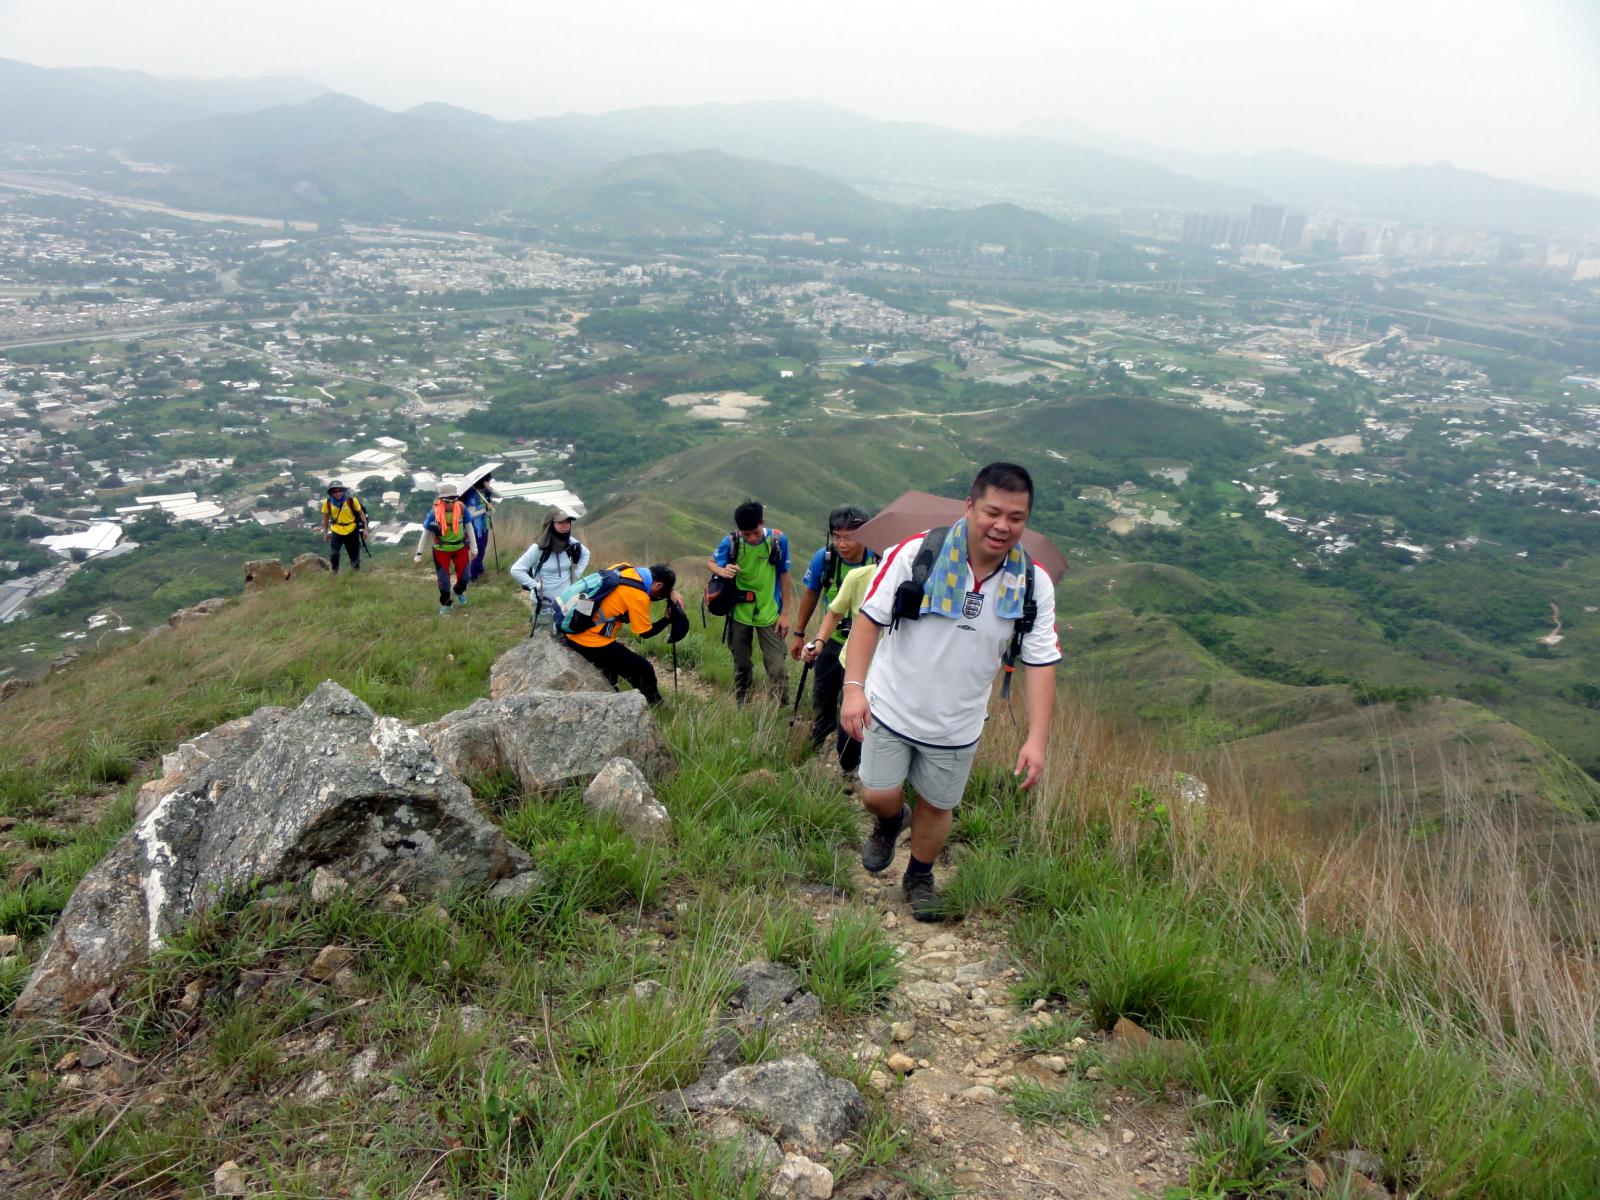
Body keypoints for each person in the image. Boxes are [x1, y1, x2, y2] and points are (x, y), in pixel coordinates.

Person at [839, 463, 1061, 922]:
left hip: (958, 722)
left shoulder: (1032, 583)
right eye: (992, 512)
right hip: (892, 706)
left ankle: (919, 876)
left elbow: (1040, 662)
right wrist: (853, 689)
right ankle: (889, 820)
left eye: (1016, 517)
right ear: (970, 507)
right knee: (877, 794)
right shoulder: (917, 553)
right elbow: (869, 619)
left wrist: (1037, 739)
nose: (1002, 526)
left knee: (938, 805)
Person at [790, 505, 877, 768]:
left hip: (865, 647)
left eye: (848, 537)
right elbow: (810, 595)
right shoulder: (825, 559)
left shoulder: (877, 560)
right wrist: (800, 634)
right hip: (832, 639)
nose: (842, 544)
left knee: (852, 699)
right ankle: (820, 734)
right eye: (837, 537)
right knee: (822, 693)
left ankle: (849, 755)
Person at [561, 563, 685, 706]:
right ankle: (655, 704)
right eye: (660, 594)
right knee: (644, 670)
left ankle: (611, 692)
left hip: (576, 628)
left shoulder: (624, 568)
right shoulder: (638, 596)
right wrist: (666, 619)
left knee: (612, 670)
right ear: (658, 585)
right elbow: (645, 633)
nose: (657, 597)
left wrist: (671, 591)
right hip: (590, 641)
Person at [707, 500, 792, 705]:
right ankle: (742, 703)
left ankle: (779, 708)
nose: (752, 538)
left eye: (756, 532)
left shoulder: (778, 540)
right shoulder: (731, 541)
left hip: (769, 612)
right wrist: (723, 571)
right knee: (742, 664)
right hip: (738, 612)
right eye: (747, 534)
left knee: (777, 668)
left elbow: (784, 575)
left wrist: (786, 613)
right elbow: (711, 562)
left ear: (763, 522)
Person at [802, 559, 877, 771]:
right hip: (856, 662)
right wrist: (819, 643)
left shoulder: (917, 579)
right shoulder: (859, 577)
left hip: (890, 669)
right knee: (850, 728)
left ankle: (868, 771)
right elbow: (835, 612)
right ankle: (849, 766)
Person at [509, 507, 591, 632]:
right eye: (560, 522)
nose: (565, 526)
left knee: (570, 632)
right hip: (544, 603)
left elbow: (586, 554)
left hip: (566, 600)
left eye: (567, 522)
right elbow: (516, 570)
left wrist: (576, 576)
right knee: (543, 637)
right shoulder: (538, 548)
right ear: (550, 525)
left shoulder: (569, 542)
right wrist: (535, 585)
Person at [412, 481, 478, 614]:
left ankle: (458, 591)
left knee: (465, 577)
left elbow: (469, 527)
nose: (451, 504)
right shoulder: (434, 513)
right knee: (443, 580)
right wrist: (419, 554)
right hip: (441, 549)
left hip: (460, 547)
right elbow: (426, 532)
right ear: (441, 500)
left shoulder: (462, 509)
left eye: (454, 499)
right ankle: (446, 603)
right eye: (447, 501)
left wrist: (474, 548)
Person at [320, 480, 367, 573]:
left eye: (340, 491)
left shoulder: (351, 501)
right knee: (334, 554)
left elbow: (361, 513)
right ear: (331, 493)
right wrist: (325, 532)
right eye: (335, 492)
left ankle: (355, 575)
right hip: (336, 530)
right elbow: (325, 518)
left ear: (343, 491)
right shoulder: (327, 502)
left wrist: (365, 529)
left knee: (354, 555)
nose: (338, 493)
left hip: (351, 529)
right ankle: (335, 572)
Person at [463, 475, 496, 582]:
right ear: (483, 482)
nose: (489, 483)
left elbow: (501, 495)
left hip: (484, 526)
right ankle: (473, 576)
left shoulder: (484, 493)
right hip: (475, 529)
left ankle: (479, 570)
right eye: (488, 481)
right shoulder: (473, 494)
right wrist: (485, 509)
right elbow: (471, 514)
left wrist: (490, 489)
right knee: (477, 551)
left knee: (482, 549)